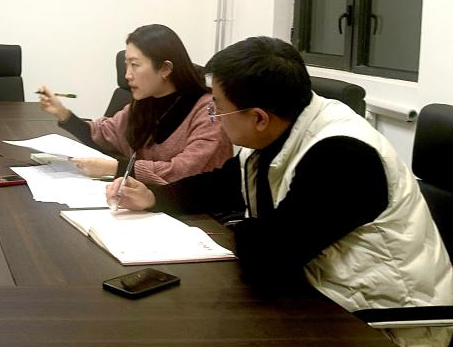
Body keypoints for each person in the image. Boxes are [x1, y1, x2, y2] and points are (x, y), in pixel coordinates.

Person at [108, 36, 453, 347]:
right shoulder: (278, 128)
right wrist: (155, 197)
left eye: (218, 108)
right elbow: (225, 183)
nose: (215, 117)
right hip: (321, 294)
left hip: (385, 324)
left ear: (258, 117)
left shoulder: (344, 157)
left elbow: (268, 256)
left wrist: (234, 229)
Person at [37, 24, 232, 185]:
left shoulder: (209, 112)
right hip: (149, 203)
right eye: (126, 65)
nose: (127, 75)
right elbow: (103, 134)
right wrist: (63, 113)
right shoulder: (145, 103)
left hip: (198, 214)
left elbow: (184, 172)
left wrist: (117, 168)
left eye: (135, 65)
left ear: (165, 68)